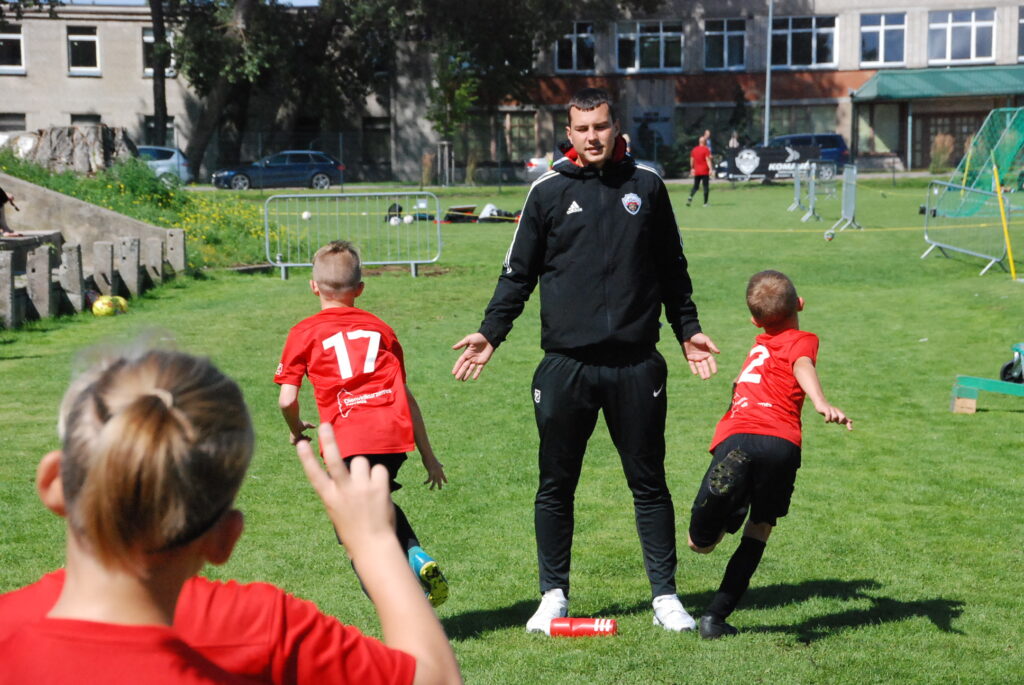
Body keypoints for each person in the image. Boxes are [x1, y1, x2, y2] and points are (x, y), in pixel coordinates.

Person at [0, 347, 462, 685]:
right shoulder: (265, 627)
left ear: (55, 483)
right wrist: (375, 545)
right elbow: (435, 678)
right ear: (225, 538)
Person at [451, 87, 720, 634]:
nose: (592, 137)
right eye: (582, 128)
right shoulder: (547, 191)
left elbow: (672, 268)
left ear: (615, 127)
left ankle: (666, 598)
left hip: (636, 364)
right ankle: (553, 595)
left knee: (649, 483)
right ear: (569, 134)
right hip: (565, 366)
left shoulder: (646, 184)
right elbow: (517, 273)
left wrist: (687, 330)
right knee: (556, 485)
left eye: (600, 126)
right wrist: (491, 332)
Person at [276, 240, 449, 607]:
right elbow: (406, 396)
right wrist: (429, 456)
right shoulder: (381, 329)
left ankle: (403, 605)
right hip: (392, 435)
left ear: (313, 286)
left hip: (348, 440)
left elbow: (287, 399)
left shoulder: (303, 332)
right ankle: (415, 554)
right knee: (377, 503)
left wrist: (296, 429)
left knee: (356, 534)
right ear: (360, 289)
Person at [687, 270, 852, 640]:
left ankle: (734, 500)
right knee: (760, 528)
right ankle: (715, 618)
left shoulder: (758, 348)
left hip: (737, 437)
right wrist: (820, 401)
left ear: (754, 321)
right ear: (800, 304)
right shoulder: (803, 339)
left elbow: (750, 382)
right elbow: (802, 363)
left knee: (699, 545)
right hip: (780, 444)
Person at [686, 135, 712, 208]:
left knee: (695, 186)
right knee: (705, 187)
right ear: (705, 142)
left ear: (699, 142)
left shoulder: (694, 150)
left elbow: (692, 160)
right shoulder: (706, 149)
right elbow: (707, 160)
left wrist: (692, 168)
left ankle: (690, 197)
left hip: (697, 171)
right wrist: (710, 168)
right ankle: (705, 203)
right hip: (704, 171)